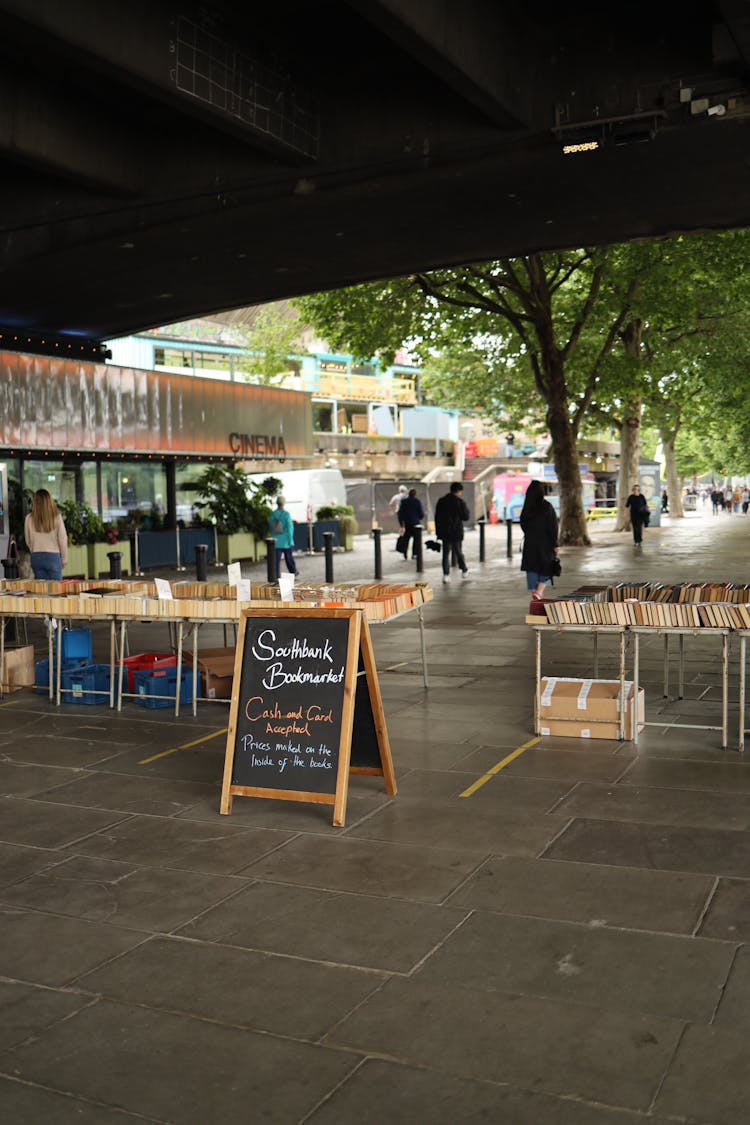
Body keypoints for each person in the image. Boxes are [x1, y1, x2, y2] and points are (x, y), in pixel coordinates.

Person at [520, 479, 558, 599]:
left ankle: (534, 591)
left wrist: (531, 533)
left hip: (530, 542)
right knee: (546, 566)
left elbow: (523, 524)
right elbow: (553, 526)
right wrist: (555, 543)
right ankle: (539, 591)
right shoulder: (546, 506)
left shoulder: (527, 507)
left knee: (532, 566)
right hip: (545, 542)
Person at [24, 488, 68, 580]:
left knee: (41, 590)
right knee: (56, 590)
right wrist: (64, 558)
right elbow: (62, 539)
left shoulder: (29, 518)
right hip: (53, 557)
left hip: (36, 557)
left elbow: (28, 541)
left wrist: (35, 550)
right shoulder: (56, 517)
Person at [434, 481, 470, 583]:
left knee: (445, 554)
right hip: (456, 531)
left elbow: (437, 518)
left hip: (445, 532)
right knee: (458, 552)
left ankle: (446, 575)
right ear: (458, 491)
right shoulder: (460, 502)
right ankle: (464, 570)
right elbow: (466, 517)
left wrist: (438, 532)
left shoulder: (441, 501)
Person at [268, 496, 298, 576]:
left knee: (276, 560)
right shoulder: (286, 514)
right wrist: (290, 540)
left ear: (277, 503)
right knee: (289, 558)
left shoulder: (273, 514)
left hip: (276, 541)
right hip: (286, 541)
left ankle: (276, 575)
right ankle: (293, 572)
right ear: (284, 503)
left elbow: (271, 527)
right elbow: (290, 528)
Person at [396, 488, 424, 559]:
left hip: (407, 523)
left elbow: (400, 513)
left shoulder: (404, 502)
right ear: (415, 494)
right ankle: (414, 553)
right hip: (415, 523)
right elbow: (421, 513)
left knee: (406, 538)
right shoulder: (417, 501)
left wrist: (401, 524)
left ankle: (405, 551)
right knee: (416, 540)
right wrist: (419, 518)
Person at [625, 483, 649, 547]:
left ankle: (639, 540)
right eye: (634, 489)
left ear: (639, 490)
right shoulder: (631, 497)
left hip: (640, 515)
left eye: (637, 489)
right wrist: (625, 514)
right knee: (635, 528)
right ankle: (636, 540)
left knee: (639, 528)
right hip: (633, 515)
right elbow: (627, 506)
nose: (636, 490)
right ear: (633, 490)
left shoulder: (642, 496)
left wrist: (646, 511)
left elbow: (645, 505)